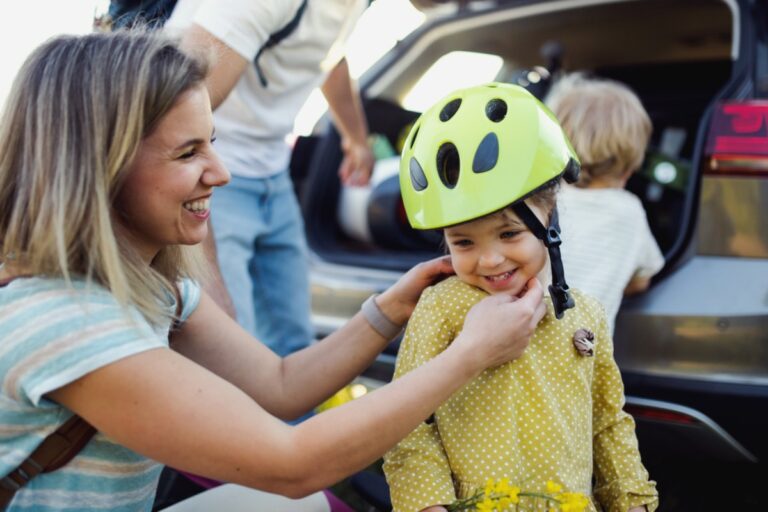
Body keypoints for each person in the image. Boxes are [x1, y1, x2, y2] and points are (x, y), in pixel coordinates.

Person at [0, 31, 547, 511]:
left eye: (213, 143)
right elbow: (291, 464)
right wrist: (470, 354)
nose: (221, 172)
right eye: (188, 153)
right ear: (103, 166)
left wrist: (391, 308)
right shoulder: (64, 318)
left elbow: (282, 386)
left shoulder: (158, 289)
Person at [382, 83, 659, 512]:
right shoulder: (444, 307)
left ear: (552, 217)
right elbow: (409, 423)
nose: (490, 260)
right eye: (463, 243)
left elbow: (607, 422)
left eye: (509, 233)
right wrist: (428, 504)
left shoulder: (586, 314)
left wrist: (631, 501)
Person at [163, 0, 375, 357]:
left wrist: (356, 137)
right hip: (213, 173)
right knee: (228, 345)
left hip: (272, 170)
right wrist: (205, 271)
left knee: (293, 344)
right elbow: (172, 111)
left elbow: (327, 55)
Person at [546, 74, 665, 334]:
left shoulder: (541, 200)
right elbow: (640, 282)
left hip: (528, 340)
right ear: (632, 160)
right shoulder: (629, 211)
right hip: (582, 353)